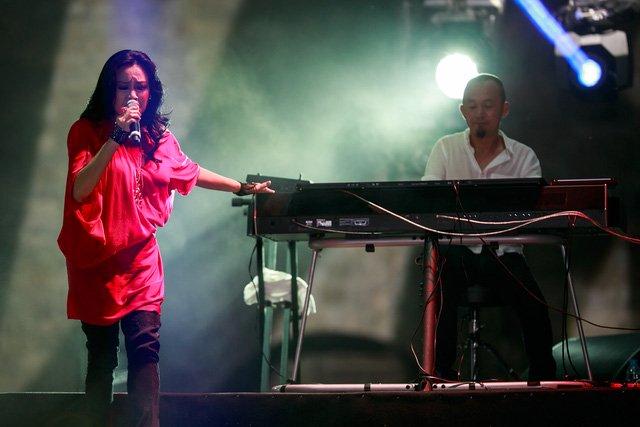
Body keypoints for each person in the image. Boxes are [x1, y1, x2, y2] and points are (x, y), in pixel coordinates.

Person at [57, 50, 273, 427]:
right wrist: (115, 138)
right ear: (109, 90)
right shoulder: (86, 131)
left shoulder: (157, 137)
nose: (132, 94)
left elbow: (190, 171)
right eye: (123, 86)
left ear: (150, 92)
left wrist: (242, 186)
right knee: (102, 356)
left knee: (145, 349)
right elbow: (80, 188)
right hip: (98, 262)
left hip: (140, 262)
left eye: (139, 87)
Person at [422, 73, 556, 381]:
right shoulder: (445, 148)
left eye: (487, 105)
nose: (480, 113)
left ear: (504, 109)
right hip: (456, 253)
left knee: (534, 304)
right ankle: (440, 375)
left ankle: (544, 380)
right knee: (436, 288)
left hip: (504, 254)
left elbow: (532, 213)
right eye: (472, 106)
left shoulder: (524, 156)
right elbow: (428, 201)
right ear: (463, 111)